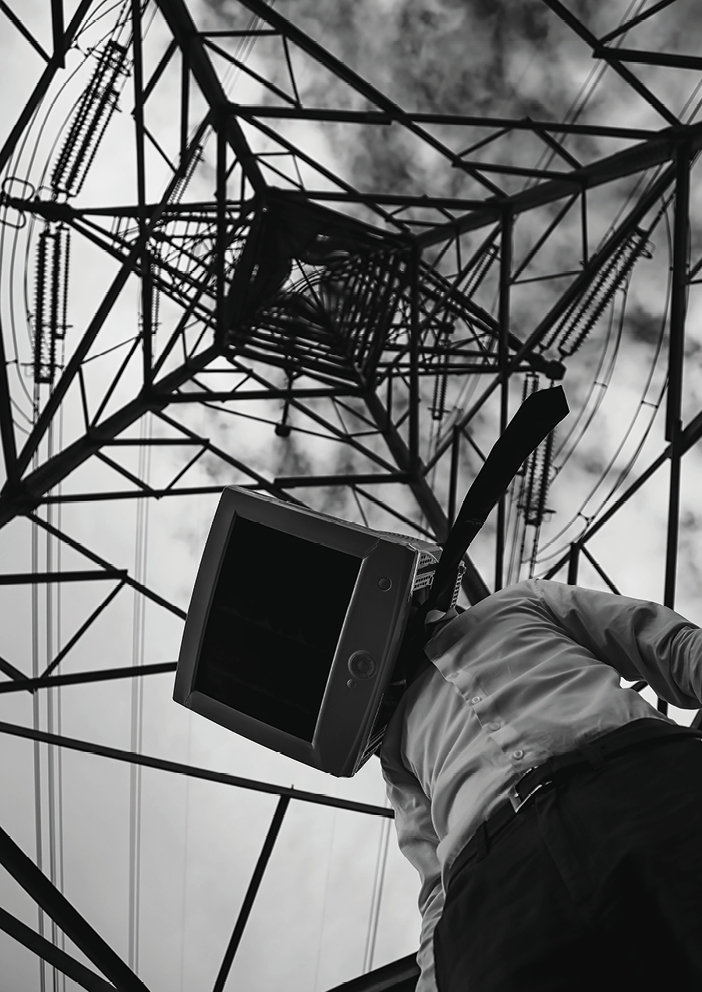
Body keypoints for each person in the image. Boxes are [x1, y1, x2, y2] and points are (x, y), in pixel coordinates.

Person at [379, 577, 702, 991]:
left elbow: (666, 644)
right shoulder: (392, 746)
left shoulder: (522, 599)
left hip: (640, 782)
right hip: (494, 887)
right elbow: (434, 888)